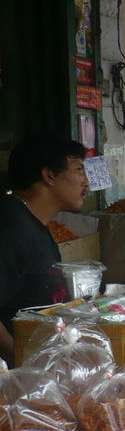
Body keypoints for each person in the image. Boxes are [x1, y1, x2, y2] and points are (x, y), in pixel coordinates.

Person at [0, 136, 89, 366]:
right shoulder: (12, 228)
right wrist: (22, 364)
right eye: (79, 170)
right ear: (49, 175)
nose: (86, 182)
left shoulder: (35, 223)